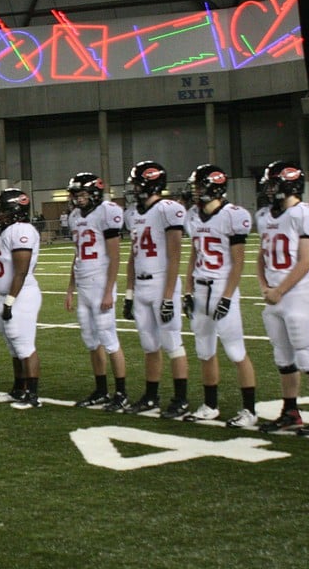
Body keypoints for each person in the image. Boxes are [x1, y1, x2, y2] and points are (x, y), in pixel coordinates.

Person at [255, 161, 309, 436]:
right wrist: (265, 285)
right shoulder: (266, 215)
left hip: (298, 295)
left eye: (274, 183)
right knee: (282, 356)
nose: (269, 189)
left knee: (307, 354)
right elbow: (261, 254)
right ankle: (290, 411)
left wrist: (279, 290)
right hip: (274, 296)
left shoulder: (308, 213)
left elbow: (305, 260)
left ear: (290, 184)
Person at [181, 164, 258, 426]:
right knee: (204, 350)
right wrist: (187, 289)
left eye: (200, 186)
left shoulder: (233, 216)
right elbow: (194, 253)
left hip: (221, 287)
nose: (196, 191)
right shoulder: (194, 215)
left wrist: (227, 296)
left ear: (214, 187)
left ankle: (250, 410)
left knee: (236, 351)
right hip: (200, 288)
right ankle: (210, 405)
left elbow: (238, 262)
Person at [121, 161, 190, 418]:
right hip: (140, 284)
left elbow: (174, 256)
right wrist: (128, 294)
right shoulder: (134, 213)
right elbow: (133, 255)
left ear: (151, 182)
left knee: (172, 343)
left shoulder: (168, 209)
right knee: (149, 344)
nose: (134, 188)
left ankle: (181, 399)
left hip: (162, 282)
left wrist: (169, 296)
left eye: (138, 183)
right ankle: (151, 397)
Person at [64, 173, 127, 410]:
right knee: (91, 340)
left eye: (82, 194)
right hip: (83, 283)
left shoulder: (107, 212)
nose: (78, 199)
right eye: (75, 195)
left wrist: (109, 291)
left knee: (109, 338)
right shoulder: (74, 217)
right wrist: (70, 287)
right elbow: (77, 253)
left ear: (94, 193)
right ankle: (101, 390)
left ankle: (121, 392)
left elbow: (115, 256)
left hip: (100, 282)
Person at [0, 189, 43, 409]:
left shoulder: (22, 230)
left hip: (22, 294)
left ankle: (32, 395)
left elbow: (20, 271)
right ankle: (18, 389)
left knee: (24, 345)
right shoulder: (3, 231)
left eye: (2, 211)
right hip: (7, 295)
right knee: (13, 346)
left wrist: (10, 300)